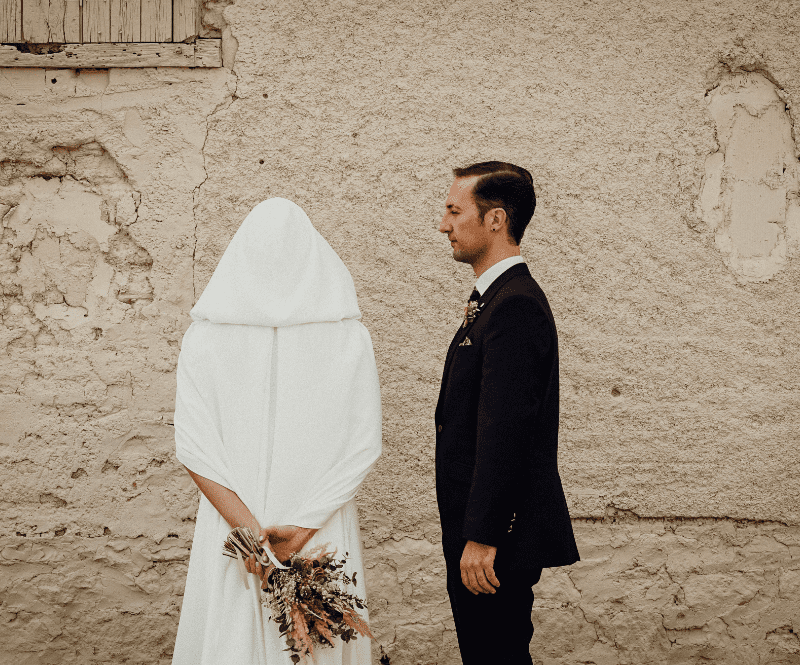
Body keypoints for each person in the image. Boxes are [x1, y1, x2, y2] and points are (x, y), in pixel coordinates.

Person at [171, 198, 382, 665]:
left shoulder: (204, 338)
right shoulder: (349, 337)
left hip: (234, 532)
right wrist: (303, 529)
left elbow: (194, 447)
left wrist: (253, 538)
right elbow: (363, 445)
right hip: (321, 528)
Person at [435, 161, 580, 664]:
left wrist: (483, 536)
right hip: (484, 536)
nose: (443, 224)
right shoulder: (495, 299)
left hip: (495, 543)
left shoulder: (514, 305)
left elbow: (506, 432)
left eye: (455, 211)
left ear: (495, 220)